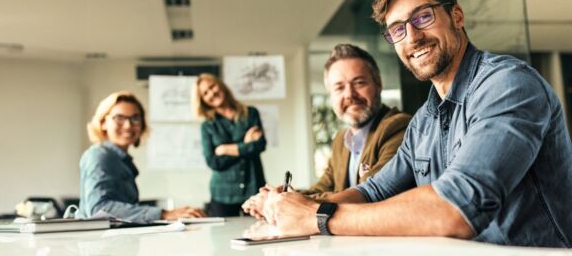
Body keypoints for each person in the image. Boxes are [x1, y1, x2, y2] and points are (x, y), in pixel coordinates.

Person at [264, 0, 572, 247]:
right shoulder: (425, 119)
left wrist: (317, 217)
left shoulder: (507, 85)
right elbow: (374, 190)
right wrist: (295, 207)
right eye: (397, 30)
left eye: (422, 17)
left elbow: (457, 208)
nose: (411, 37)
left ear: (456, 15)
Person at [241, 44, 411, 219]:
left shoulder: (397, 127)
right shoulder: (341, 140)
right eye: (339, 87)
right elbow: (322, 188)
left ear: (378, 84)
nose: (349, 95)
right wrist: (278, 196)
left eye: (359, 83)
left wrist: (280, 202)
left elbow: (371, 193)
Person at [78, 91, 206, 222]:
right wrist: (163, 214)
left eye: (135, 118)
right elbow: (98, 209)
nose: (128, 125)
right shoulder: (100, 156)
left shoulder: (120, 160)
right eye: (119, 118)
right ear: (103, 122)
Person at [194, 73, 266, 217]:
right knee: (221, 238)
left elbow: (260, 145)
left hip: (253, 188)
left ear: (220, 85)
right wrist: (245, 145)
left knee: (260, 234)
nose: (211, 93)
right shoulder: (207, 125)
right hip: (222, 195)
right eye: (205, 93)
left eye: (212, 86)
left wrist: (226, 149)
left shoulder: (251, 113)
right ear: (202, 100)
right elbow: (213, 162)